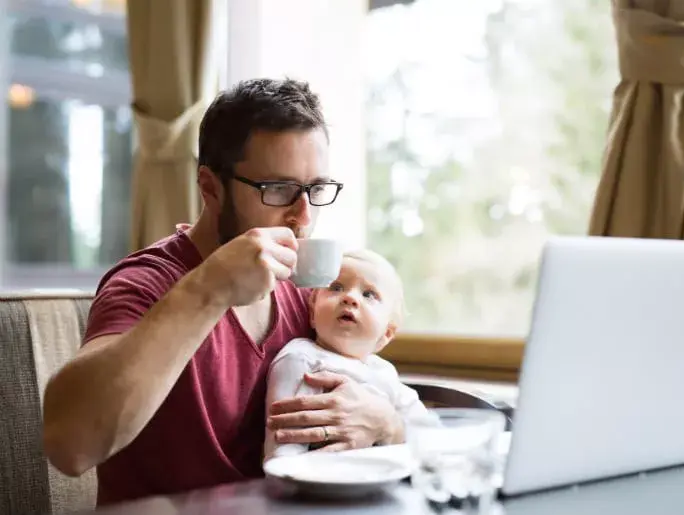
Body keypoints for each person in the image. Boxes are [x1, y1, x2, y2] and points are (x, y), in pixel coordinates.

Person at [41, 78, 406, 506]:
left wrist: (386, 424)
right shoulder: (146, 282)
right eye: (279, 189)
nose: (304, 216)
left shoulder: (307, 294)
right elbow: (69, 446)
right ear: (211, 187)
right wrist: (209, 288)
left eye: (316, 190)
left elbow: (369, 402)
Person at [263, 248, 436, 463]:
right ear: (312, 313)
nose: (350, 297)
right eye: (336, 287)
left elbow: (427, 433)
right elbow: (282, 445)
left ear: (386, 333)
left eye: (369, 294)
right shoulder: (300, 358)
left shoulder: (384, 372)